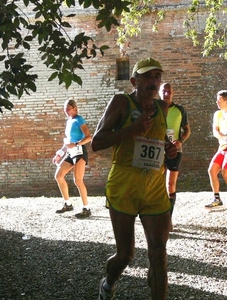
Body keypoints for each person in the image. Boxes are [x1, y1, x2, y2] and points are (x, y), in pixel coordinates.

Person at [91, 57, 177, 300]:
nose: (153, 81)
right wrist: (132, 129)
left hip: (154, 187)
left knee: (158, 252)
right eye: (147, 76)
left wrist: (169, 148)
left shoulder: (162, 107)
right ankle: (108, 284)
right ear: (134, 80)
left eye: (157, 76)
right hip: (124, 186)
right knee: (125, 255)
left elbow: (159, 139)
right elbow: (97, 142)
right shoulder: (121, 102)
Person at [52, 99, 93, 219]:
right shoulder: (69, 121)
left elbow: (89, 137)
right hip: (70, 152)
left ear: (75, 108)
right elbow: (68, 141)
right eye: (65, 109)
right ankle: (68, 204)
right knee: (58, 176)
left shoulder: (79, 119)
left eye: (68, 109)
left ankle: (86, 208)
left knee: (78, 181)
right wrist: (59, 153)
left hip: (79, 152)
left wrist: (76, 144)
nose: (66, 111)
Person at [159, 82, 191, 228]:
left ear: (173, 93)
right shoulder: (154, 108)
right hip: (157, 150)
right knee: (155, 185)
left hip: (175, 150)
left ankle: (168, 219)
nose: (166, 94)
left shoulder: (179, 110)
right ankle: (155, 219)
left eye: (169, 92)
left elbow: (187, 130)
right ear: (160, 92)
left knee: (170, 185)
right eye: (164, 91)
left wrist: (181, 140)